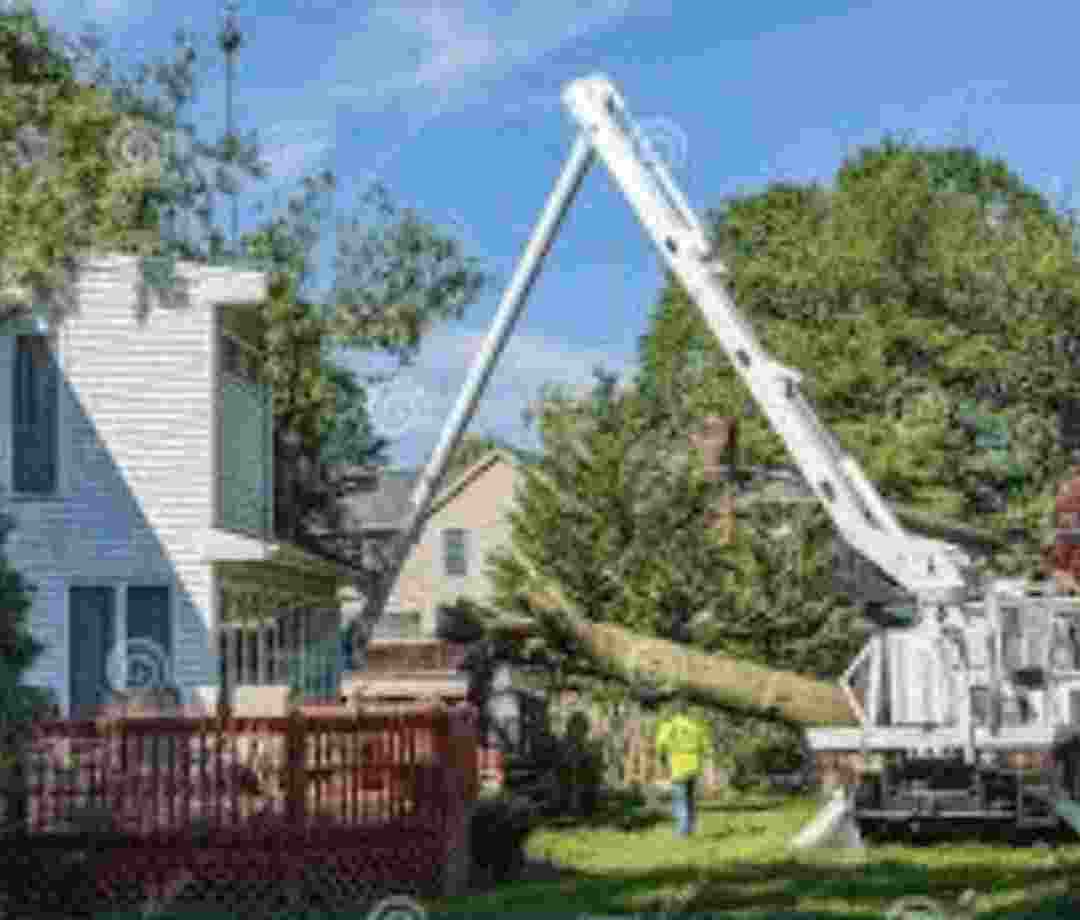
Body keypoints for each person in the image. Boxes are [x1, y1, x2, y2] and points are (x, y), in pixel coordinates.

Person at [655, 700, 713, 836]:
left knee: (680, 799)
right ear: (687, 711)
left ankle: (683, 830)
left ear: (674, 711)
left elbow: (660, 745)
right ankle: (690, 826)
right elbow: (706, 747)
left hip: (678, 766)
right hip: (694, 766)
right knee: (690, 797)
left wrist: (662, 761)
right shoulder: (696, 725)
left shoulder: (669, 726)